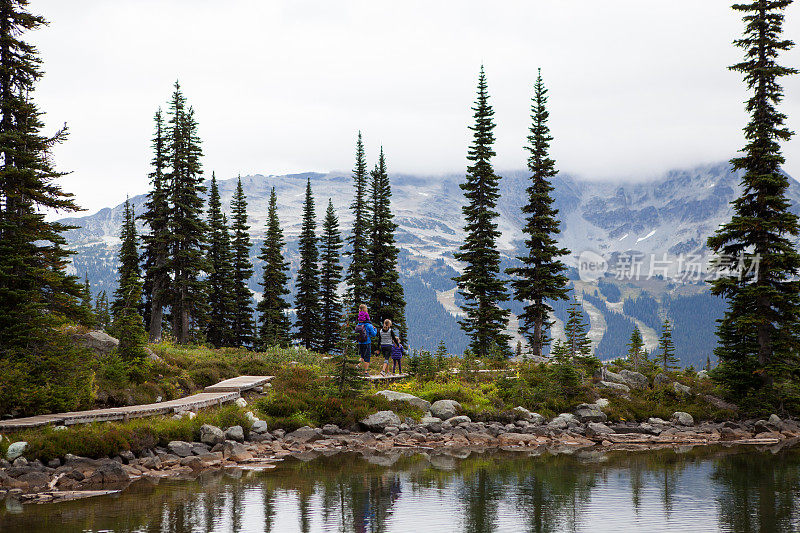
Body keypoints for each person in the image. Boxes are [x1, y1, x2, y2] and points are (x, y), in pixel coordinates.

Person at [356, 304, 377, 375]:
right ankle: (365, 372)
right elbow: (374, 334)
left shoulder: (358, 324)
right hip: (367, 343)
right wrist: (375, 329)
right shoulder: (368, 325)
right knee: (367, 358)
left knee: (362, 356)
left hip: (360, 342)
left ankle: (358, 365)